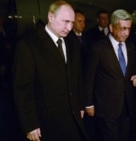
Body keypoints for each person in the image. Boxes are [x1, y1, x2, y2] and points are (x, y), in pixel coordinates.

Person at [13, 1, 89, 141]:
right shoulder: (29, 45)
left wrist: (80, 105)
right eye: (65, 21)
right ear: (51, 17)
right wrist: (29, 124)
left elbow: (77, 77)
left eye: (72, 22)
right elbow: (22, 89)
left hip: (73, 119)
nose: (69, 27)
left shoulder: (72, 43)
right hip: (45, 123)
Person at [84, 9, 136, 141]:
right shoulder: (98, 48)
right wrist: (88, 104)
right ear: (111, 27)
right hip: (106, 108)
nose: (126, 33)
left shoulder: (131, 47)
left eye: (129, 29)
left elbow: (134, 69)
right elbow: (89, 78)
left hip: (126, 107)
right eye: (122, 28)